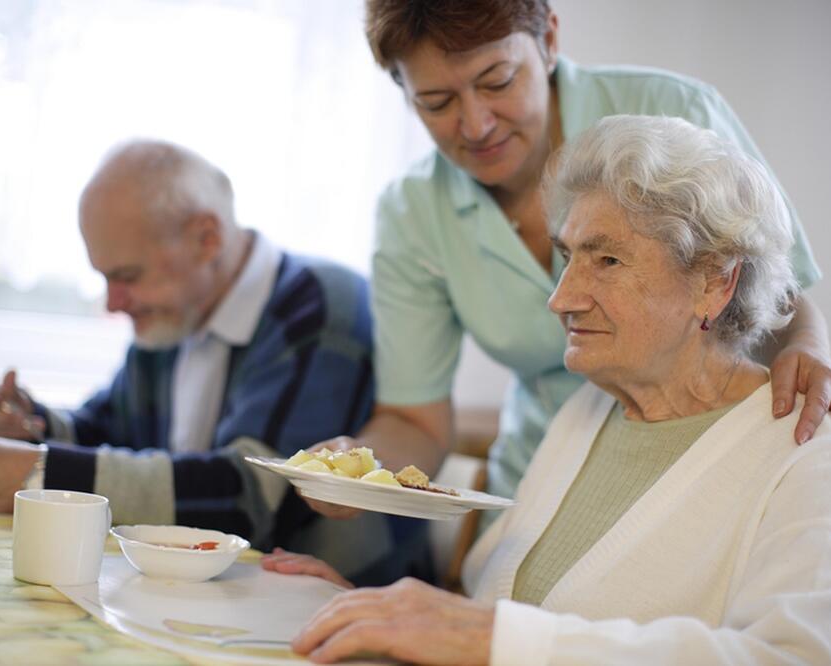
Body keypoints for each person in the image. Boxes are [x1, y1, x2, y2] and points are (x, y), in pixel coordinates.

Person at [263, 115, 831, 665]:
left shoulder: (805, 454)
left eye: (606, 259)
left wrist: (482, 638)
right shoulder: (586, 411)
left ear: (715, 282)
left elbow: (796, 656)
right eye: (567, 257)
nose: (561, 298)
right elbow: (506, 622)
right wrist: (374, 617)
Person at [306, 0, 831, 521]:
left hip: (697, 454)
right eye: (437, 102)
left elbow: (775, 288)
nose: (476, 124)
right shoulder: (413, 210)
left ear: (550, 41)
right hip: (542, 476)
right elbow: (416, 420)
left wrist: (809, 352)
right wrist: (353, 472)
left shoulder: (671, 112)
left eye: (497, 81)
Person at [0, 139, 429, 585]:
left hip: (341, 606)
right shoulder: (176, 312)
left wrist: (33, 472)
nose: (113, 302)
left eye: (127, 277)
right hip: (222, 600)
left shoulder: (321, 308)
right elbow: (104, 428)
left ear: (207, 239)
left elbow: (250, 499)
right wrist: (24, 423)